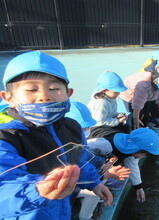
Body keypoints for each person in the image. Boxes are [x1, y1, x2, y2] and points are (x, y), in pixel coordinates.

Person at [0, 51, 112, 219]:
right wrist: (37, 190)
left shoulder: (72, 127)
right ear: (9, 98)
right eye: (31, 89)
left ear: (69, 94)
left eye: (54, 88)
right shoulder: (6, 138)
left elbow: (79, 160)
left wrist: (94, 183)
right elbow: (4, 186)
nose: (44, 96)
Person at [66, 101, 131, 220]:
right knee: (94, 192)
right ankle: (85, 217)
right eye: (83, 128)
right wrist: (104, 175)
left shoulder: (77, 140)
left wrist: (104, 165)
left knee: (98, 186)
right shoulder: (63, 147)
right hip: (61, 192)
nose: (86, 131)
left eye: (88, 127)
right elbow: (72, 174)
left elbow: (82, 161)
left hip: (71, 184)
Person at [88, 126, 159, 203]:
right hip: (88, 153)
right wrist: (104, 176)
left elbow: (133, 166)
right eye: (146, 154)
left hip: (99, 156)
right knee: (102, 176)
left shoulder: (130, 148)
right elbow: (82, 161)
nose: (144, 157)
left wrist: (138, 187)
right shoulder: (104, 146)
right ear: (139, 151)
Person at [120, 61, 159, 130]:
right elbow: (137, 105)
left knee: (148, 107)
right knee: (140, 113)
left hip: (145, 92)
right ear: (156, 84)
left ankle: (147, 121)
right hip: (128, 93)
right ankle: (138, 127)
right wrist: (136, 119)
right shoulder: (143, 86)